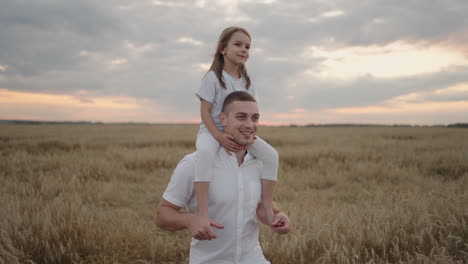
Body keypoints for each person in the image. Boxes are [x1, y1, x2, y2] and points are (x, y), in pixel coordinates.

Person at [156, 91, 291, 264]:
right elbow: (162, 215)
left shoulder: (260, 163)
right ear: (223, 119)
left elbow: (259, 207)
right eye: (241, 117)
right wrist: (189, 219)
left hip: (253, 259)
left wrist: (278, 216)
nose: (250, 124)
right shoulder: (193, 164)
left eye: (255, 118)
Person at [194, 26, 279, 227]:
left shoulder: (249, 82)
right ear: (223, 49)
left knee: (271, 155)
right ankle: (203, 212)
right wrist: (219, 137)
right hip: (213, 132)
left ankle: (267, 207)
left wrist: (248, 138)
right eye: (238, 44)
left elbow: (253, 114)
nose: (244, 50)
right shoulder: (213, 78)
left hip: (241, 134)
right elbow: (205, 112)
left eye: (248, 47)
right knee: (205, 154)